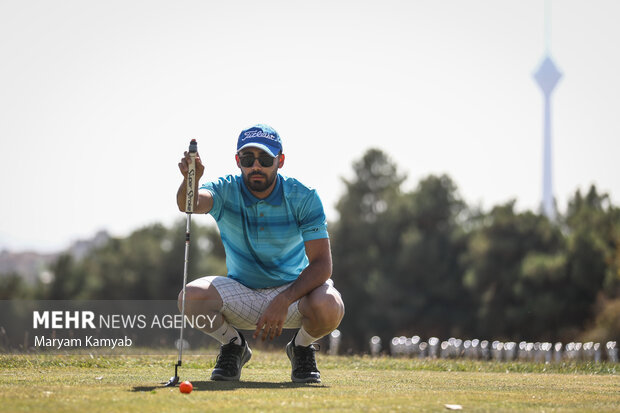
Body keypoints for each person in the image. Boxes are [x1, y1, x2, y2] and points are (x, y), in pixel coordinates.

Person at [176, 124, 345, 383]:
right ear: (238, 161)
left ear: (280, 161)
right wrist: (192, 179)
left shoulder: (304, 197)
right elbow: (190, 205)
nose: (256, 166)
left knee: (330, 304)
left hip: (295, 295)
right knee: (190, 297)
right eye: (247, 159)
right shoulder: (225, 189)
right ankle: (234, 346)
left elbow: (322, 266)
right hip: (242, 291)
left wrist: (285, 299)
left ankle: (301, 348)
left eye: (265, 159)